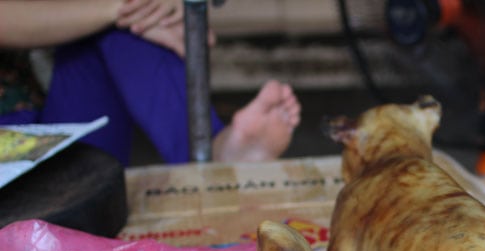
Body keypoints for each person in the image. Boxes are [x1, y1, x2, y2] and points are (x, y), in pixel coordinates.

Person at [0, 0, 301, 165]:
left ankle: (212, 157)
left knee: (116, 27)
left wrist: (149, 7)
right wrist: (123, 8)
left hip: (33, 138)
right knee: (122, 16)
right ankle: (212, 159)